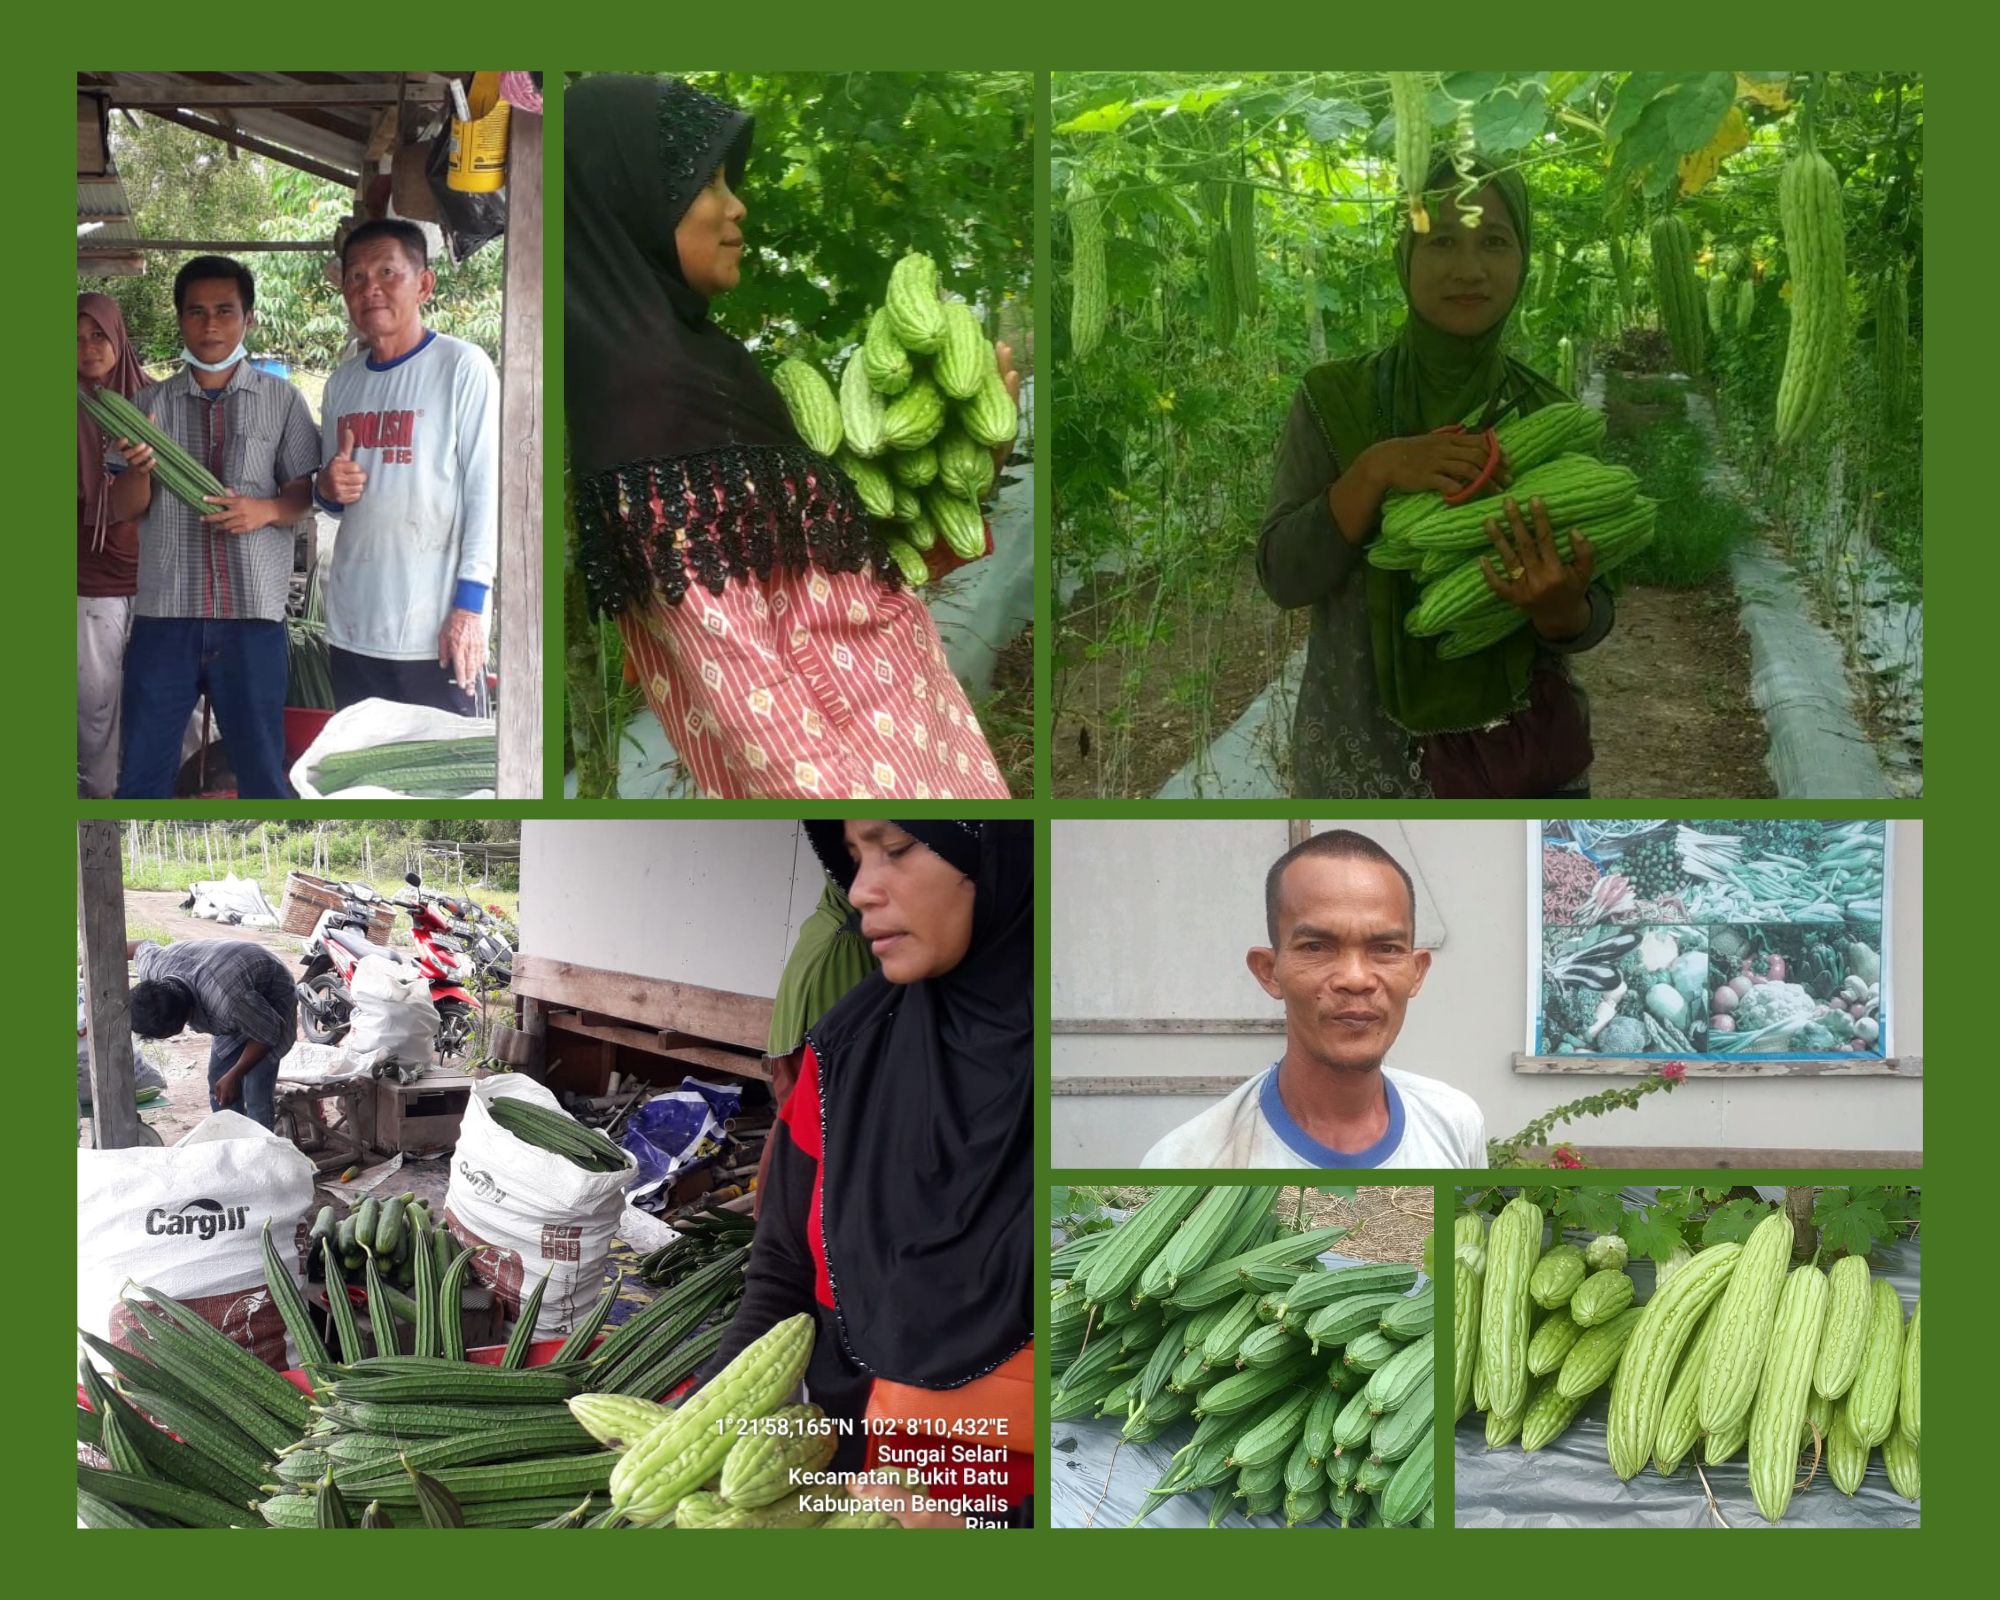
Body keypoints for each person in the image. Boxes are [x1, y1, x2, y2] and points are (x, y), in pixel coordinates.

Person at [565, 75, 1013, 799]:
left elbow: (830, 587)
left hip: (910, 741)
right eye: (707, 182)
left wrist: (976, 463)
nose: (737, 205)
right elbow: (738, 679)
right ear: (630, 202)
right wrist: (870, 830)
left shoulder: (705, 370)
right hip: (868, 779)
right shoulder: (648, 403)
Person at [701, 820, 1032, 1527]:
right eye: (854, 860)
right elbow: (782, 1271)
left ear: (994, 852)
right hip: (840, 1485)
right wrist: (702, 1429)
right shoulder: (845, 1055)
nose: (860, 893)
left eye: (898, 849)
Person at [1259, 156, 1614, 800]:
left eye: (1495, 242)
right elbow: (1284, 577)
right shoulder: (1334, 398)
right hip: (1360, 757)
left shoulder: (1549, 414)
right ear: (1406, 253)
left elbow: (1592, 612)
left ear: (1524, 258)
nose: (1469, 269)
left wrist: (1562, 612)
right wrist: (1375, 469)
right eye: (1442, 240)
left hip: (1516, 762)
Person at [1143, 829, 1484, 1169]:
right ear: (1269, 971)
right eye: (1316, 947)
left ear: (1417, 971)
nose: (1356, 979)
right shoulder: (1186, 1163)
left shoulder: (1454, 1122)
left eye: (1385, 949)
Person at [110, 256, 320, 798]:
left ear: (247, 318)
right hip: (165, 618)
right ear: (179, 319)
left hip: (251, 620)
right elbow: (126, 506)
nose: (210, 325)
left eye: (224, 311)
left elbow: (306, 491)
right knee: (142, 778)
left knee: (264, 776)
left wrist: (266, 510)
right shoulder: (146, 407)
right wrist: (138, 469)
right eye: (196, 312)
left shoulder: (283, 400)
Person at [314, 219, 500, 714]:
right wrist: (328, 487)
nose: (369, 289)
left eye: (387, 272)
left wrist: (470, 608)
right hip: (353, 627)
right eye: (355, 277)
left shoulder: (462, 367)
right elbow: (333, 501)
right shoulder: (342, 385)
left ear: (424, 284)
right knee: (361, 778)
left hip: (434, 633)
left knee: (443, 782)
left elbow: (487, 492)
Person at [754, 858, 878, 1213]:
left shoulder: (839, 905)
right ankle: (777, 1236)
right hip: (835, 971)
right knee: (809, 1124)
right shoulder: (859, 927)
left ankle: (768, 1234)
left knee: (796, 1119)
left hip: (818, 956)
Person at [77, 293, 147, 798]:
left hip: (157, 582)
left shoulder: (155, 402)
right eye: (75, 339)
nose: (87, 348)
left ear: (118, 337)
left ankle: (153, 790)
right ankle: (98, 801)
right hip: (90, 579)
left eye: (98, 334)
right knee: (95, 704)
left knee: (156, 701)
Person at [126, 936, 299, 1132]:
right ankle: (230, 1140)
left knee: (255, 1089)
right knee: (219, 1080)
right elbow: (138, 946)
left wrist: (235, 1074)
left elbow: (269, 1034)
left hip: (271, 995)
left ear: (183, 1021)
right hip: (231, 984)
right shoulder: (154, 967)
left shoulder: (228, 1004)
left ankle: (262, 1150)